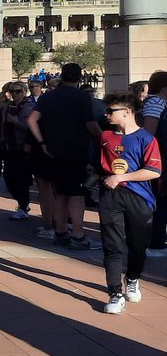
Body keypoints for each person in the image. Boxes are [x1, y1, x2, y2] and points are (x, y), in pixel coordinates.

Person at [96, 92, 163, 315]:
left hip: (139, 198)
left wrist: (121, 177)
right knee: (112, 245)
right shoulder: (105, 136)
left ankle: (132, 279)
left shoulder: (146, 138)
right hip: (110, 197)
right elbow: (95, 164)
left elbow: (153, 171)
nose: (107, 115)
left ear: (127, 111)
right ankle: (115, 292)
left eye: (111, 111)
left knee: (137, 246)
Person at [28, 63, 103, 251]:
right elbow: (91, 125)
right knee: (76, 194)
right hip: (76, 151)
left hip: (53, 151)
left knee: (59, 192)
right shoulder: (82, 98)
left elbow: (31, 120)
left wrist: (43, 143)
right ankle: (78, 236)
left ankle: (60, 232)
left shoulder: (48, 97)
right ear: (79, 78)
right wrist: (103, 137)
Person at [0, 83, 36, 220]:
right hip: (10, 146)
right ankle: (22, 204)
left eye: (18, 91)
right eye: (12, 91)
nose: (14, 94)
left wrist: (16, 122)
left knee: (22, 180)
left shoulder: (30, 106)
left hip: (24, 147)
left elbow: (32, 127)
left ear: (24, 92)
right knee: (8, 178)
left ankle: (23, 206)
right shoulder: (8, 106)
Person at [141, 72, 167, 258]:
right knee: (160, 199)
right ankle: (155, 242)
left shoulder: (156, 103)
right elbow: (150, 131)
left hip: (159, 157)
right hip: (159, 158)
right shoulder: (156, 103)